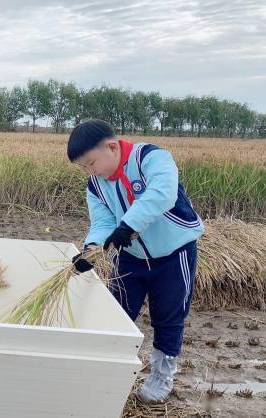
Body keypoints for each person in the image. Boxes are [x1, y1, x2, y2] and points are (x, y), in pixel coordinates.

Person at [68, 119, 203, 403]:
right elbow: (103, 221)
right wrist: (92, 250)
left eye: (92, 163)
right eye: (84, 167)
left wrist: (127, 225)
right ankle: (109, 369)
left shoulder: (152, 158)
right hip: (131, 256)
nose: (91, 171)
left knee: (168, 317)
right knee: (116, 313)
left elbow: (161, 195)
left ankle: (161, 376)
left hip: (173, 255)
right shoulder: (96, 184)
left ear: (112, 147)